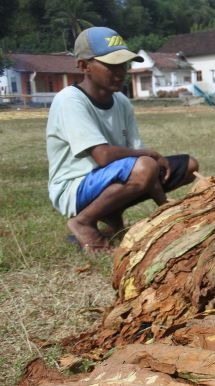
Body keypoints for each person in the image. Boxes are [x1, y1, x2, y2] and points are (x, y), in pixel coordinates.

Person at [47, 26, 199, 252]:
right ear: (84, 66)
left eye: (124, 64)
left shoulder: (121, 101)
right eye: (111, 65)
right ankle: (83, 221)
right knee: (145, 165)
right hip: (75, 187)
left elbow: (141, 162)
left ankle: (112, 214)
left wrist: (165, 208)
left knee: (189, 166)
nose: (120, 72)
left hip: (110, 177)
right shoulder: (70, 100)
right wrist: (150, 155)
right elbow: (103, 156)